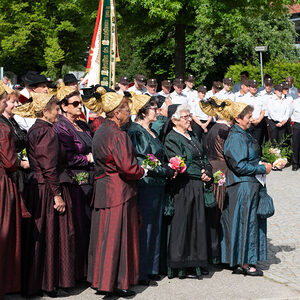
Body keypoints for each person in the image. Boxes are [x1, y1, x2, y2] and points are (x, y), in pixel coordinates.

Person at [13, 93, 76, 297]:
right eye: (55, 109)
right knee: (49, 236)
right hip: (47, 189)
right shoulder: (46, 132)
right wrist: (57, 195)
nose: (58, 112)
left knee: (39, 236)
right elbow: (49, 167)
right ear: (44, 111)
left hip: (38, 186)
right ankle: (47, 283)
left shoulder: (36, 130)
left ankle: (37, 282)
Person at [87, 92, 145, 297]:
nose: (129, 113)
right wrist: (142, 171)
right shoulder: (118, 135)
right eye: (127, 110)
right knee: (117, 237)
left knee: (103, 236)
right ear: (117, 113)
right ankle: (118, 283)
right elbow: (128, 168)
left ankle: (101, 280)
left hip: (103, 188)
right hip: (119, 191)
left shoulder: (100, 131)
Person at [221, 103, 272, 276]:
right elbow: (240, 165)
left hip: (249, 184)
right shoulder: (236, 137)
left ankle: (242, 259)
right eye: (248, 117)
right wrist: (261, 169)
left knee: (247, 222)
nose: (251, 119)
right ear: (237, 118)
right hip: (242, 185)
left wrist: (263, 162)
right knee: (246, 223)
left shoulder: (244, 134)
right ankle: (244, 263)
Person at [128, 97, 175, 286]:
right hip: (146, 183)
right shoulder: (135, 131)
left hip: (157, 184)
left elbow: (157, 155)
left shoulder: (151, 130)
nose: (157, 112)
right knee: (145, 227)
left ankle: (153, 267)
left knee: (155, 226)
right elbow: (142, 160)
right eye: (154, 109)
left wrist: (170, 167)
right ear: (143, 111)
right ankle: (141, 270)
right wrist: (165, 170)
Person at [164, 103, 212, 279]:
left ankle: (196, 263)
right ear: (175, 120)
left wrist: (208, 171)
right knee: (183, 224)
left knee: (197, 224)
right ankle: (181, 265)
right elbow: (180, 161)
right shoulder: (172, 138)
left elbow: (203, 156)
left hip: (197, 185)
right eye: (185, 117)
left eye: (189, 116)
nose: (189, 119)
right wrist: (200, 173)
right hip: (183, 186)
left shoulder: (192, 134)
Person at [54, 84, 94, 280]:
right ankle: (77, 272)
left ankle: (88, 270)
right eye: (75, 104)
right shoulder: (61, 126)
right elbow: (67, 157)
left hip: (90, 179)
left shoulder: (83, 124)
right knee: (78, 226)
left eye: (81, 103)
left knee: (89, 226)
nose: (80, 107)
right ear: (64, 106)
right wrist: (87, 159)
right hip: (75, 180)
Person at [0, 82, 24, 300]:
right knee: (5, 231)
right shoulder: (3, 127)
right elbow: (9, 162)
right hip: (2, 183)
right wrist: (19, 162)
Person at [0, 88, 30, 193]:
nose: (17, 105)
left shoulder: (13, 120)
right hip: (10, 173)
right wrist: (20, 162)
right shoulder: (2, 124)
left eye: (17, 101)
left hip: (21, 173)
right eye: (13, 102)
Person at [242, 80, 265, 148]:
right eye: (252, 87)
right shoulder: (244, 98)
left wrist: (259, 120)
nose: (254, 88)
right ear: (249, 87)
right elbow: (244, 111)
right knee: (249, 143)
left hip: (258, 123)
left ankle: (258, 158)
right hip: (249, 123)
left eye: (255, 87)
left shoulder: (260, 97)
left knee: (258, 143)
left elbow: (263, 111)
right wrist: (251, 119)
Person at [290, 88, 300, 171]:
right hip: (297, 124)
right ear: (299, 94)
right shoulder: (294, 102)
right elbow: (290, 113)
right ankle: (295, 163)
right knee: (296, 144)